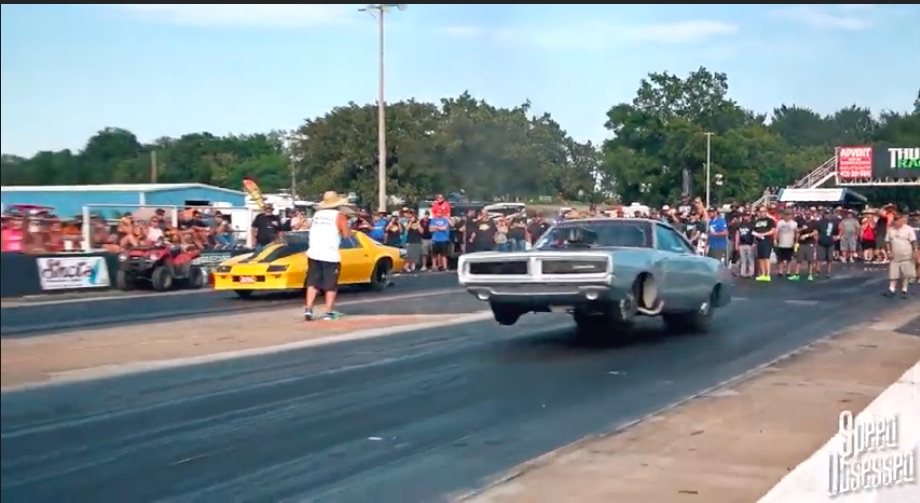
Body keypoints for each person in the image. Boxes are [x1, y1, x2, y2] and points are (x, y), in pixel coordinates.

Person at [303, 192, 352, 321]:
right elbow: (346, 235)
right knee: (330, 285)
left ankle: (308, 309)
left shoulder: (317, 215)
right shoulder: (339, 216)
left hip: (313, 252)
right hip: (330, 254)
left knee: (312, 282)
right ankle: (328, 312)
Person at [883, 214, 916, 298]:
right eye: (896, 220)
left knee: (906, 272)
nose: (897, 222)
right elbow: (887, 241)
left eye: (899, 220)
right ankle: (891, 289)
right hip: (895, 255)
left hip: (906, 253)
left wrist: (914, 252)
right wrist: (889, 251)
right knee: (893, 272)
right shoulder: (890, 230)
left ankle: (904, 289)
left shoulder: (908, 229)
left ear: (902, 221)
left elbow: (913, 241)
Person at [753, 207, 776, 281]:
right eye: (760, 211)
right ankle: (762, 274)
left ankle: (767, 274)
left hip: (767, 241)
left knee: (766, 257)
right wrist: (756, 234)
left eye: (763, 211)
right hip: (759, 241)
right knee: (760, 258)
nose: (762, 213)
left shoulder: (770, 220)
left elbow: (773, 230)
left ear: (766, 212)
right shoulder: (757, 221)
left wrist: (764, 234)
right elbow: (754, 230)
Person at [794, 210, 819, 281]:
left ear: (811, 214)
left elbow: (815, 232)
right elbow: (797, 230)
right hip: (801, 243)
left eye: (809, 214)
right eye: (806, 214)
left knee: (810, 260)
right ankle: (796, 274)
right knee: (799, 260)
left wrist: (807, 235)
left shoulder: (814, 223)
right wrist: (802, 229)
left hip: (810, 243)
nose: (807, 215)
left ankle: (810, 274)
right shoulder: (801, 222)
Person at [815, 210, 839, 278]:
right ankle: (818, 271)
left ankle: (828, 271)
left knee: (830, 258)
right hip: (821, 242)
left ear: (830, 214)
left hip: (830, 242)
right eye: (825, 214)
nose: (826, 215)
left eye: (828, 214)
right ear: (823, 214)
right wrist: (816, 238)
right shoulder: (819, 222)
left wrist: (838, 236)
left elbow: (840, 228)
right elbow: (816, 231)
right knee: (819, 258)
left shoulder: (833, 222)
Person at [774, 211, 798, 278]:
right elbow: (777, 232)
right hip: (781, 243)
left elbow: (796, 233)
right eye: (786, 215)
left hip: (790, 243)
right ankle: (780, 271)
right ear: (783, 215)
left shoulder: (794, 223)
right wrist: (775, 240)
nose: (787, 216)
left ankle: (788, 271)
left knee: (789, 259)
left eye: (789, 215)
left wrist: (796, 241)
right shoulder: (779, 222)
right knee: (780, 259)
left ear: (791, 215)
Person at [734, 212, 756, 278]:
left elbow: (754, 234)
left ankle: (751, 273)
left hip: (750, 244)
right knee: (743, 259)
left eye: (747, 215)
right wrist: (736, 244)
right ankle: (743, 273)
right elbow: (737, 234)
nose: (746, 217)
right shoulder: (740, 225)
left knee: (750, 259)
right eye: (745, 216)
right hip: (741, 244)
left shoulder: (752, 225)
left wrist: (754, 243)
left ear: (750, 216)